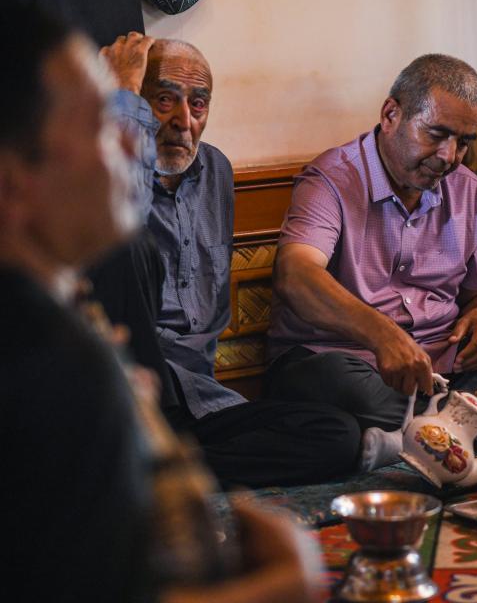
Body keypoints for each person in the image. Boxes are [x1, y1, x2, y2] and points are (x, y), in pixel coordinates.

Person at [1, 0, 319, 603]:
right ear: (14, 179)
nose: (132, 138)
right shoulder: (47, 365)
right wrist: (286, 594)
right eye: (101, 120)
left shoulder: (58, 328)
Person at [265, 54, 477, 470]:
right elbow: (295, 275)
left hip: (443, 369)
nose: (450, 156)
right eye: (436, 134)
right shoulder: (331, 180)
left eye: (464, 142)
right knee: (331, 378)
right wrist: (382, 335)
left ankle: (416, 437)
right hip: (354, 363)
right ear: (391, 114)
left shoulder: (467, 189)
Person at [97, 32, 362, 488]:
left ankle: (159, 472)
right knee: (130, 246)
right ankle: (147, 464)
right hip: (131, 396)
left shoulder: (215, 170)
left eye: (198, 105)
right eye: (164, 100)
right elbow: (116, 226)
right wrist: (121, 95)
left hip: (199, 398)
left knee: (338, 436)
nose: (183, 121)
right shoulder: (100, 180)